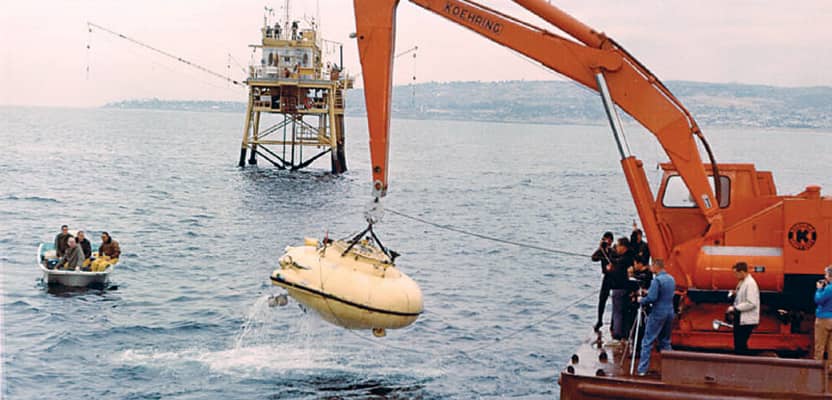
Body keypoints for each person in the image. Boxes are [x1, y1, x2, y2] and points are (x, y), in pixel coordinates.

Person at [636, 261, 675, 376]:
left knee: (647, 341)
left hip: (658, 312)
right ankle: (670, 368)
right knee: (665, 341)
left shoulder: (656, 280)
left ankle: (642, 370)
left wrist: (641, 300)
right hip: (669, 311)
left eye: (652, 266)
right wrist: (648, 292)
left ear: (656, 267)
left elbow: (652, 298)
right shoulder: (671, 279)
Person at [727, 262, 759, 355]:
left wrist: (735, 308)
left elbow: (751, 303)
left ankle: (742, 364)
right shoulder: (743, 282)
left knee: (740, 344)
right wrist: (735, 294)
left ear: (742, 272)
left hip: (746, 319)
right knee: (739, 343)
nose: (735, 275)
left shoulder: (750, 284)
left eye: (735, 273)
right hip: (741, 318)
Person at [608, 237, 634, 342]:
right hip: (626, 288)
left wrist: (611, 269)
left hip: (619, 288)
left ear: (623, 247)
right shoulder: (630, 257)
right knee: (623, 312)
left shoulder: (623, 260)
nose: (617, 248)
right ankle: (624, 333)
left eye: (618, 246)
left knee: (617, 311)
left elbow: (617, 273)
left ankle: (617, 334)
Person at [591, 232, 615, 332]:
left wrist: (608, 249)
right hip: (606, 277)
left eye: (609, 239)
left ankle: (614, 323)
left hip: (615, 276)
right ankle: (599, 320)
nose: (607, 241)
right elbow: (593, 258)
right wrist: (600, 248)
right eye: (605, 239)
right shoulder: (602, 251)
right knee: (602, 299)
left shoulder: (614, 250)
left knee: (616, 299)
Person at [814, 266, 832, 360]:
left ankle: (816, 371)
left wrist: (819, 289)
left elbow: (819, 300)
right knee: (831, 348)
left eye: (826, 275)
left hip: (824, 319)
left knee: (819, 346)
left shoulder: (829, 289)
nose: (825, 277)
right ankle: (830, 370)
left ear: (830, 276)